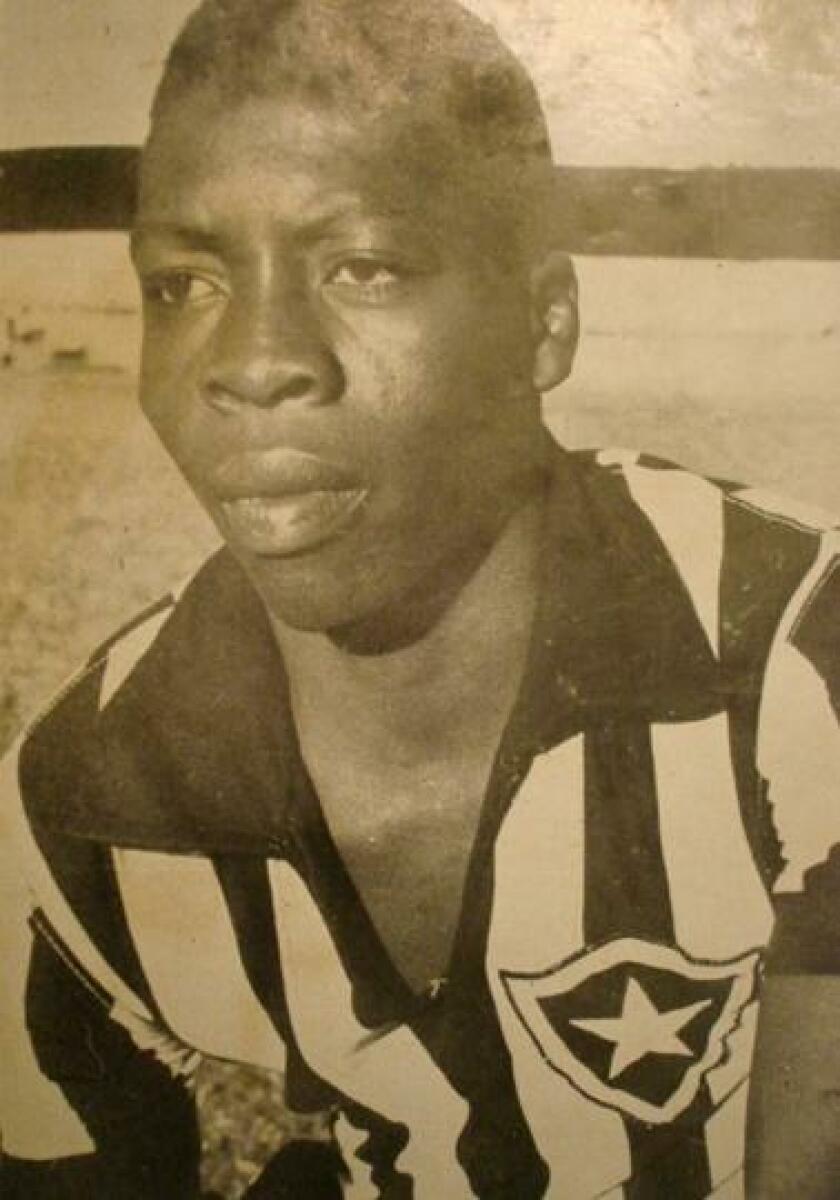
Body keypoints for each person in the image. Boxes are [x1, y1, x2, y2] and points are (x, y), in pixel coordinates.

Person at [1, 1, 839, 1196]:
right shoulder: (84, 796)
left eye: (363, 267)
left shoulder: (795, 653)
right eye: (182, 283)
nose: (254, 361)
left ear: (543, 325)